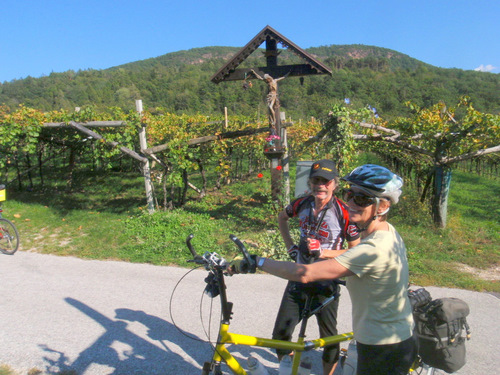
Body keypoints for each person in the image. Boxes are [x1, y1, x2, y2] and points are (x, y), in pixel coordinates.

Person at [230, 164, 417, 375]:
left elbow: (306, 274)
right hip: (384, 339)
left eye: (362, 198)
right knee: (283, 333)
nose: (352, 203)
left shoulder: (374, 248)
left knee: (328, 336)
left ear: (382, 207)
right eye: (351, 194)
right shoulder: (385, 233)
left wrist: (257, 261)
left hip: (384, 347)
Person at [273, 159, 360, 375]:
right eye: (315, 180)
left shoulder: (344, 211)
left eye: (326, 181)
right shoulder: (301, 204)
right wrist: (291, 248)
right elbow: (282, 218)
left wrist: (323, 252)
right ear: (310, 182)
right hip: (299, 275)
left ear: (334, 184)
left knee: (329, 339)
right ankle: (297, 368)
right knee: (280, 335)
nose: (320, 185)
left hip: (326, 280)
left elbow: (355, 251)